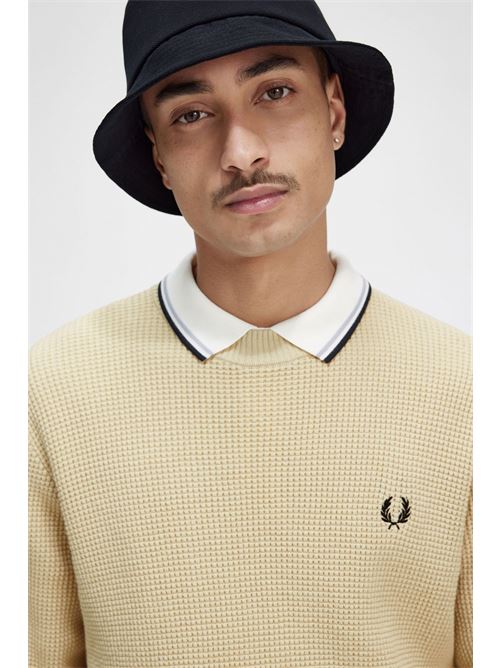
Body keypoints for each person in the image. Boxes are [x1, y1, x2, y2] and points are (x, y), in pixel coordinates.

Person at [29, 1, 472, 666]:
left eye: (275, 92)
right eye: (191, 114)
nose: (241, 152)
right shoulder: (50, 394)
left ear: (335, 111)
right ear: (158, 156)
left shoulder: (467, 392)